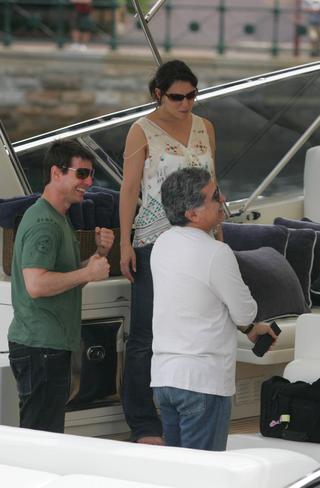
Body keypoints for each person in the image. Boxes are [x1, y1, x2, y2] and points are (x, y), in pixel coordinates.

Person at [120, 59, 217, 445]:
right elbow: (129, 190)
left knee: (191, 329)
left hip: (198, 243)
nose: (186, 103)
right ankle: (143, 424)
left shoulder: (205, 127)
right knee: (146, 333)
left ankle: (184, 415)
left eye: (192, 95)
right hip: (152, 241)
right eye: (177, 97)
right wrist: (125, 242)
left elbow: (213, 185)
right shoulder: (141, 130)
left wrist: (218, 238)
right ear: (158, 94)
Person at [150, 167, 276, 451]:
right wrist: (252, 325)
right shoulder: (216, 253)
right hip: (202, 382)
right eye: (215, 195)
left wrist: (250, 329)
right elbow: (245, 312)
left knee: (179, 472)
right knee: (204, 475)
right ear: (192, 214)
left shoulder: (161, 244)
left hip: (164, 378)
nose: (223, 198)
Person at [8, 140, 114, 433]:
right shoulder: (44, 223)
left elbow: (62, 278)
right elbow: (37, 284)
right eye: (81, 174)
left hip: (46, 346)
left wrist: (97, 258)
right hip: (40, 348)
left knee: (45, 433)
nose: (89, 182)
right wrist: (87, 274)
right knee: (41, 437)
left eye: (91, 175)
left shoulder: (57, 218)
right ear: (56, 173)